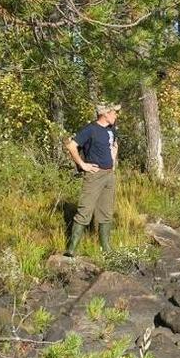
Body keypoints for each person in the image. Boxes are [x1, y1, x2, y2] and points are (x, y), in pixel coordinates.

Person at [64, 102, 121, 256]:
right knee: (85, 210)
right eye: (114, 112)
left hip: (109, 175)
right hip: (94, 176)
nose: (116, 115)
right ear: (105, 114)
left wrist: (113, 162)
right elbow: (71, 146)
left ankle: (106, 248)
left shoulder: (111, 129)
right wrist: (83, 165)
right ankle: (71, 250)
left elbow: (114, 145)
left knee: (106, 212)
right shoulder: (90, 129)